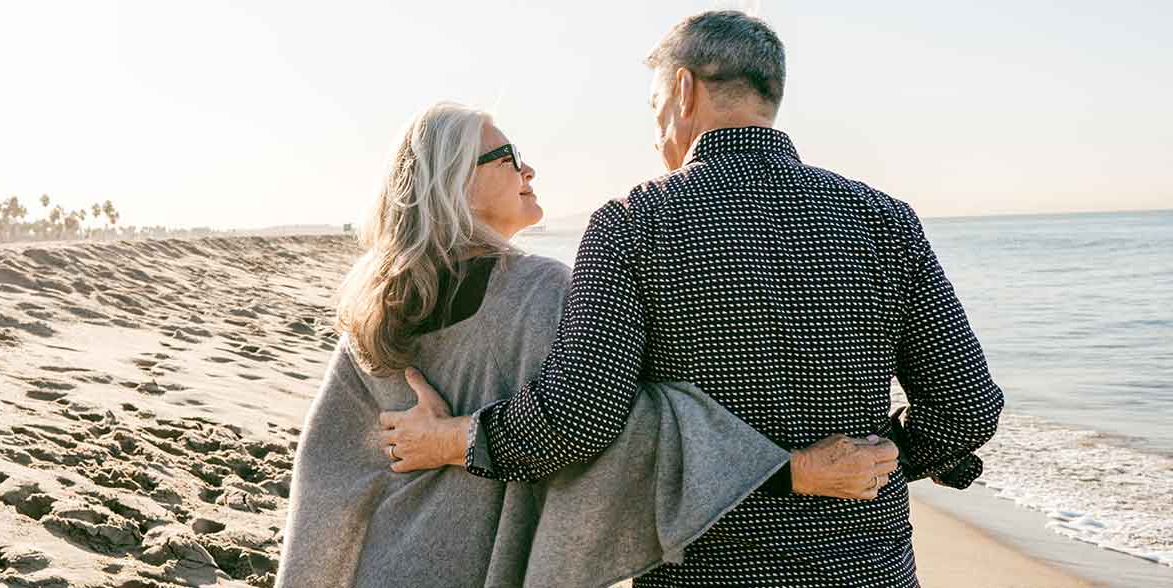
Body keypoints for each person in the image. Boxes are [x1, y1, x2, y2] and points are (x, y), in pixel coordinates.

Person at [382, 10, 1004, 588]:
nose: (656, 133)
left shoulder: (635, 223)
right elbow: (969, 408)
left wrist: (452, 439)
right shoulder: (883, 218)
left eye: (655, 106)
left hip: (708, 570)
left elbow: (578, 418)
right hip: (867, 570)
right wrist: (887, 458)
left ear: (683, 91)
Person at [276, 101, 899, 587]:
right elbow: (618, 430)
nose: (528, 169)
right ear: (454, 182)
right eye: (506, 156)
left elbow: (328, 470)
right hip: (486, 565)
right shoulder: (544, 291)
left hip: (388, 561)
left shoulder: (374, 305)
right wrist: (791, 470)